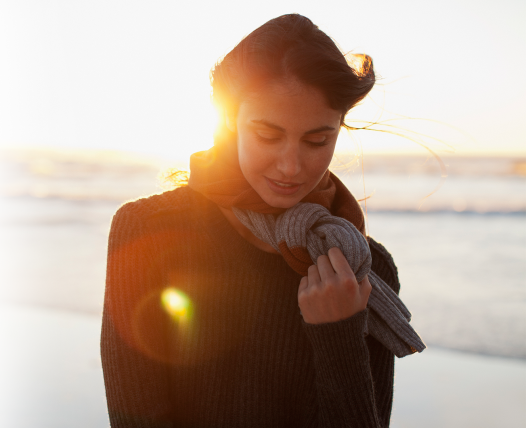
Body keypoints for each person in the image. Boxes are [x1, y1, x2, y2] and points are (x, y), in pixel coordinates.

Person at [101, 14, 415, 427]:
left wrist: (339, 332)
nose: (290, 165)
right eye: (268, 135)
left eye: (317, 140)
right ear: (230, 120)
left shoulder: (361, 269)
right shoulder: (148, 231)